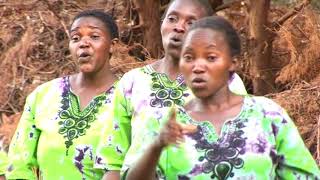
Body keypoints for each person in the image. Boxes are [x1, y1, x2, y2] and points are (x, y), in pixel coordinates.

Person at [125, 16, 320, 179]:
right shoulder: (164, 121)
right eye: (189, 57)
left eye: (210, 57)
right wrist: (157, 146)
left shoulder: (268, 115)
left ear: (232, 63)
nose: (198, 67)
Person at [95, 0, 247, 179]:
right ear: (162, 24)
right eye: (172, 19)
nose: (179, 27)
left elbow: (241, 147)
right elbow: (112, 160)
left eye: (191, 23)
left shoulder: (226, 82)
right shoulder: (132, 82)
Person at [6, 9, 119, 179]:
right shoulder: (43, 95)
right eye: (75, 38)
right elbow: (19, 164)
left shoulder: (129, 96)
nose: (83, 43)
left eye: (94, 37)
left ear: (112, 45)